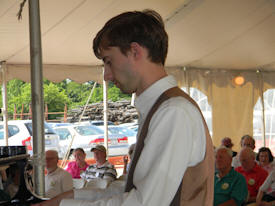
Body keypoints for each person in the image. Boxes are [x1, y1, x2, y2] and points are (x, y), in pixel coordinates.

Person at [32, 9, 214, 206]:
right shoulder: (162, 108)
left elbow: (143, 202)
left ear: (135, 51)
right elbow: (128, 187)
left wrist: (64, 205)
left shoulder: (173, 111)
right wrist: (67, 198)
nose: (106, 76)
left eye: (109, 61)